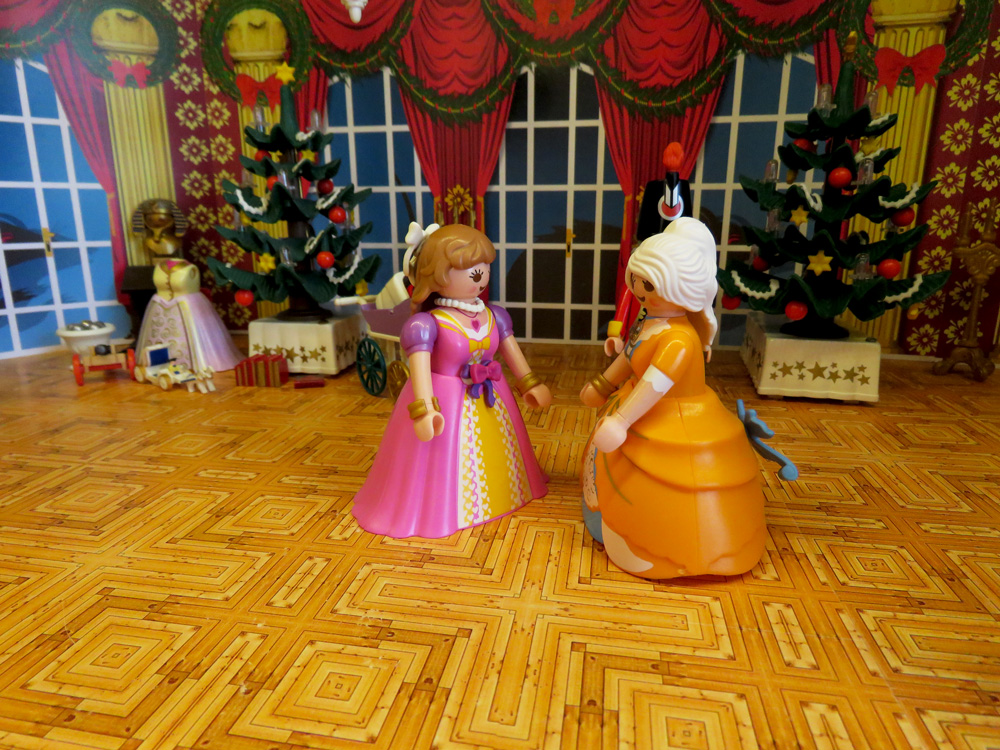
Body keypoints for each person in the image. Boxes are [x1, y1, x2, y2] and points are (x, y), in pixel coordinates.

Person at [580, 218, 765, 578]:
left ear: (682, 288)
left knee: (670, 485)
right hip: (636, 406)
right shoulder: (648, 321)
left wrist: (621, 421)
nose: (637, 289)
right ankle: (608, 519)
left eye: (648, 284)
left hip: (672, 416)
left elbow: (656, 383)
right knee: (614, 467)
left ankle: (668, 550)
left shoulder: (679, 340)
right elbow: (630, 357)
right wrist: (603, 384)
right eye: (636, 280)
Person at [353, 223, 550, 538]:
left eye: (483, 267)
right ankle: (449, 509)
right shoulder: (425, 324)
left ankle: (505, 492)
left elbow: (512, 352)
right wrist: (424, 410)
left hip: (492, 397)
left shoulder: (494, 315)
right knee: (445, 463)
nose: (479, 276)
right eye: (469, 269)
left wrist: (530, 383)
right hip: (446, 401)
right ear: (436, 274)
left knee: (502, 454)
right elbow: (419, 371)